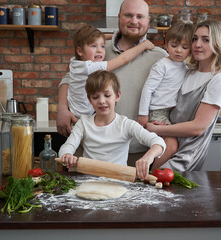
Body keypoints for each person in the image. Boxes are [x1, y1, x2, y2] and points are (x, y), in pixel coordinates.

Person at [57, 0, 168, 157]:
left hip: (139, 152)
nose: (134, 21)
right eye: (128, 15)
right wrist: (62, 108)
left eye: (140, 16)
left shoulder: (160, 57)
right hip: (92, 149)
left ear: (148, 21)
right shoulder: (98, 48)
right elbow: (70, 78)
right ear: (119, 17)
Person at [146, 20, 221, 171]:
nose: (197, 44)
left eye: (206, 40)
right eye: (195, 39)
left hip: (186, 157)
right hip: (167, 147)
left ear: (218, 44)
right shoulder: (187, 72)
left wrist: (157, 130)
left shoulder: (218, 79)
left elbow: (197, 128)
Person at [59, 70, 166, 180]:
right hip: (89, 181)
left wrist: (148, 157)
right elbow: (68, 146)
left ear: (117, 95)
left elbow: (159, 142)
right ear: (89, 99)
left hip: (119, 182)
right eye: (95, 97)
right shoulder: (83, 123)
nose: (101, 101)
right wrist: (67, 154)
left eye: (107, 95)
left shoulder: (126, 124)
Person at [67, 22, 154, 118]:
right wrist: (143, 45)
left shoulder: (75, 62)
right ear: (80, 51)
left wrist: (117, 37)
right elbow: (123, 59)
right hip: (83, 117)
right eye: (93, 46)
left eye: (102, 46)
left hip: (74, 110)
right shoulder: (89, 67)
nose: (99, 50)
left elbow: (100, 38)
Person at [137, 22, 194, 162]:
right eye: (174, 46)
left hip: (173, 113)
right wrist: (143, 114)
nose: (179, 50)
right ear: (166, 45)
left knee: (168, 146)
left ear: (190, 50)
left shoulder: (184, 67)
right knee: (171, 146)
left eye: (184, 47)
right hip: (158, 111)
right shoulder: (162, 65)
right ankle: (149, 174)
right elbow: (148, 89)